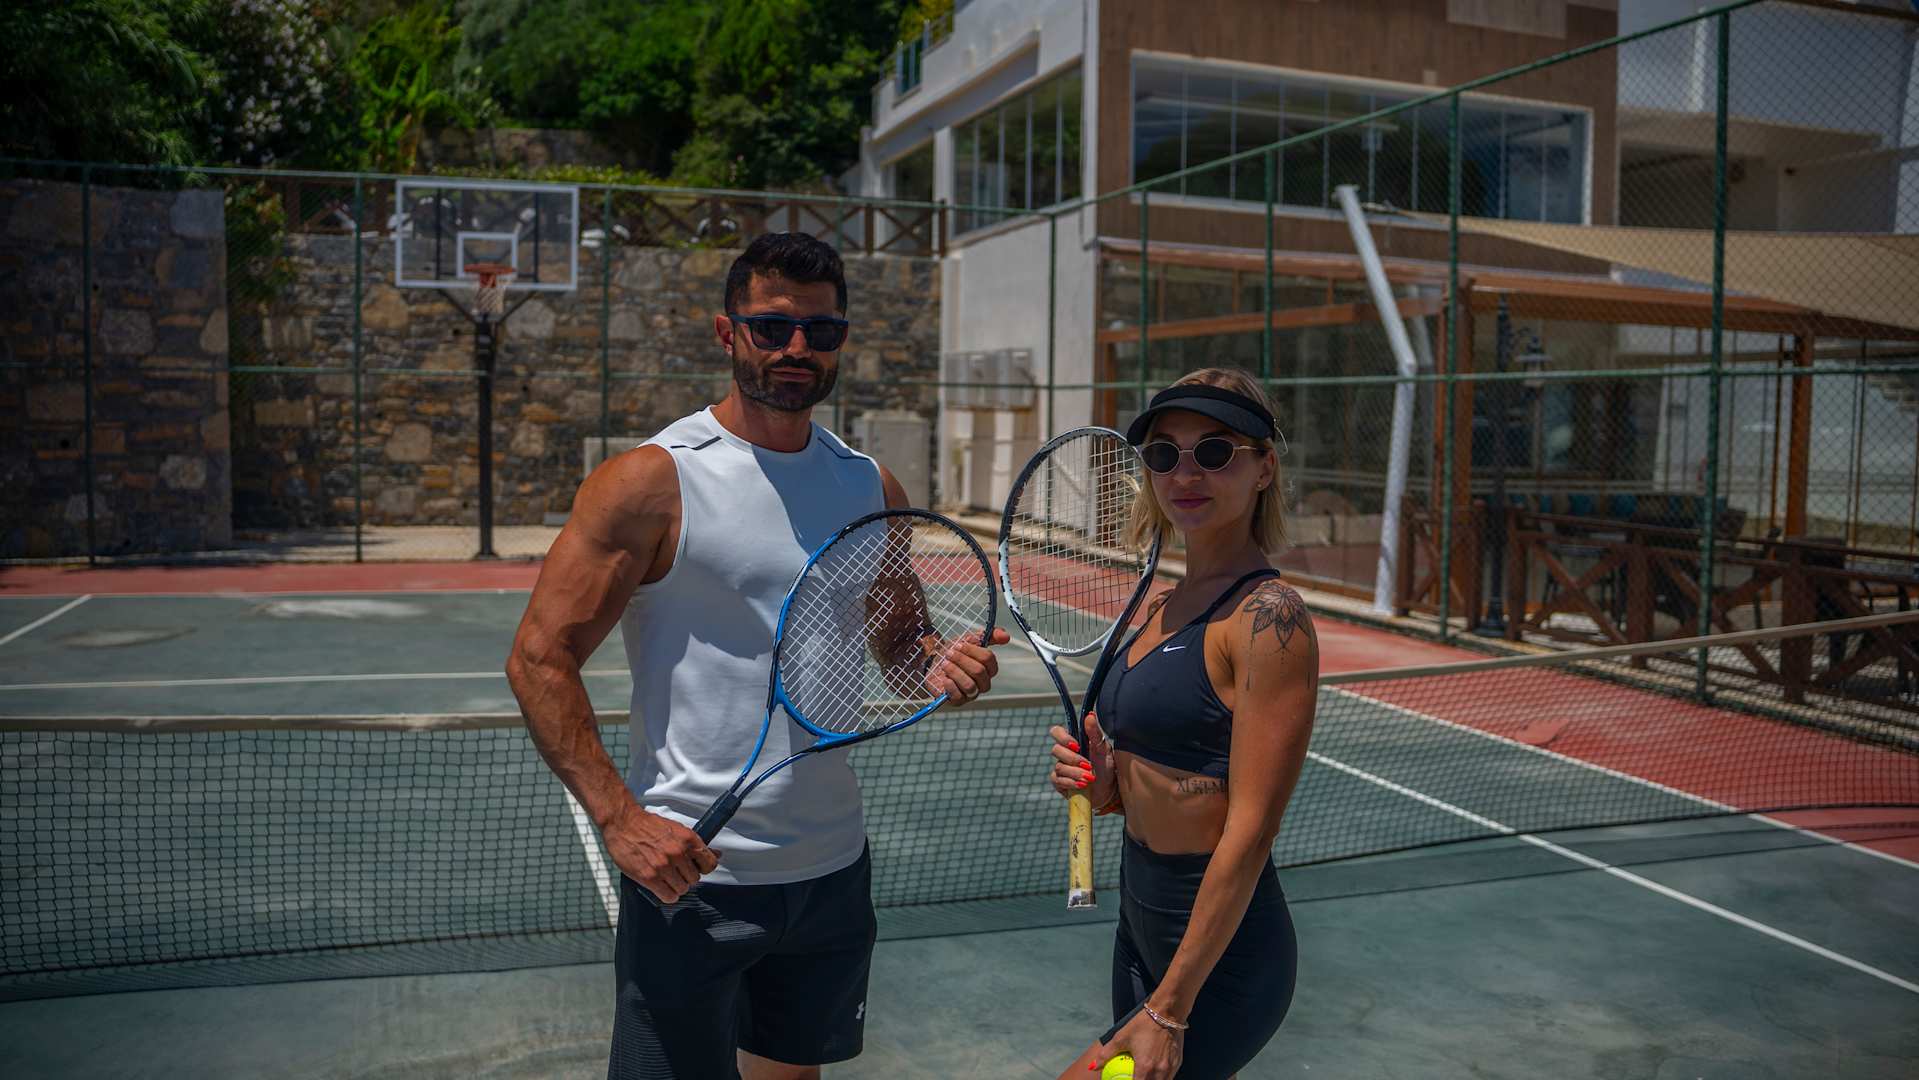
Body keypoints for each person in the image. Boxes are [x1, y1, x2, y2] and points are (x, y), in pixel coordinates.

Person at [506, 232, 1009, 1080]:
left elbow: (900, 641)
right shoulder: (652, 481)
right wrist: (622, 821)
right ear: (726, 332)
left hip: (831, 870)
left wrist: (939, 665)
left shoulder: (869, 486)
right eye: (772, 327)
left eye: (820, 330)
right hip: (691, 876)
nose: (796, 348)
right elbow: (538, 657)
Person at [1049, 368, 1319, 1080]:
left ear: (1264, 467)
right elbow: (1165, 777)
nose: (1186, 473)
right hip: (1139, 922)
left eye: (1216, 451)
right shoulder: (1162, 605)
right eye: (1164, 454)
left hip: (1215, 956)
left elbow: (1251, 830)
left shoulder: (1269, 616)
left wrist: (1170, 1008)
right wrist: (1105, 787)